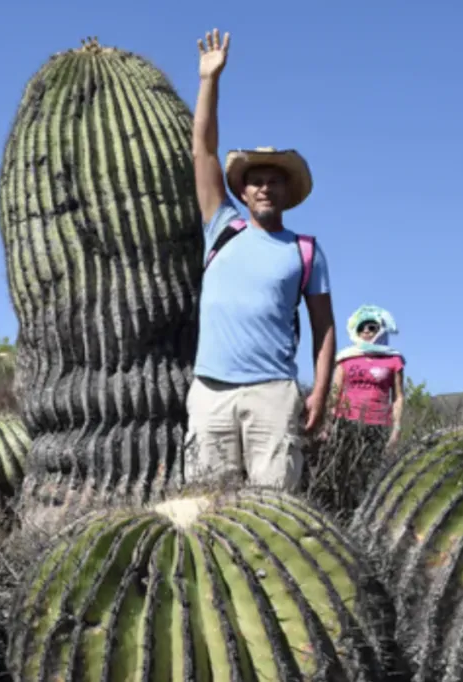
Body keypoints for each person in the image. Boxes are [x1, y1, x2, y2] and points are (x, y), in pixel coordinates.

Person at [183, 28, 337, 492]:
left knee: (273, 508)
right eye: (256, 181)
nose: (265, 187)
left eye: (274, 181)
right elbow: (203, 150)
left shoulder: (304, 250)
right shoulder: (222, 227)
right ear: (243, 191)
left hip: (273, 392)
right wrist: (209, 80)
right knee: (205, 506)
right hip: (210, 391)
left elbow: (324, 328)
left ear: (287, 192)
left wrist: (320, 391)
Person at [325, 305, 406, 449]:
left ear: (381, 330)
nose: (366, 330)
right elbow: (335, 391)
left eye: (372, 327)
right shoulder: (346, 357)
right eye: (361, 327)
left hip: (378, 424)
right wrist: (328, 421)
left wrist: (397, 428)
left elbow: (398, 397)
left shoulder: (394, 360)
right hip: (345, 420)